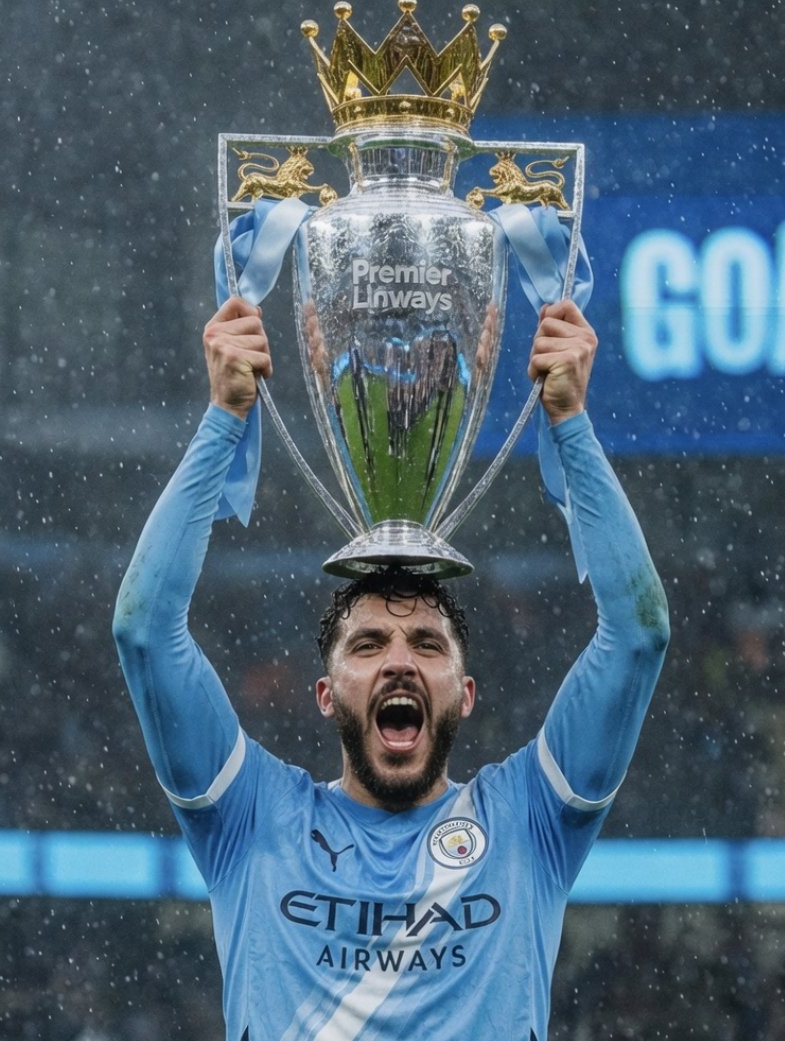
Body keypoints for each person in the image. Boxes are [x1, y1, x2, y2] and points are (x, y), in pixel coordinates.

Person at [113, 295, 669, 1040]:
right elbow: (144, 631)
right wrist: (223, 417)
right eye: (368, 644)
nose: (399, 662)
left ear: (464, 694)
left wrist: (570, 423)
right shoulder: (252, 818)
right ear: (324, 692)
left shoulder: (527, 820)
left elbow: (637, 633)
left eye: (428, 645)